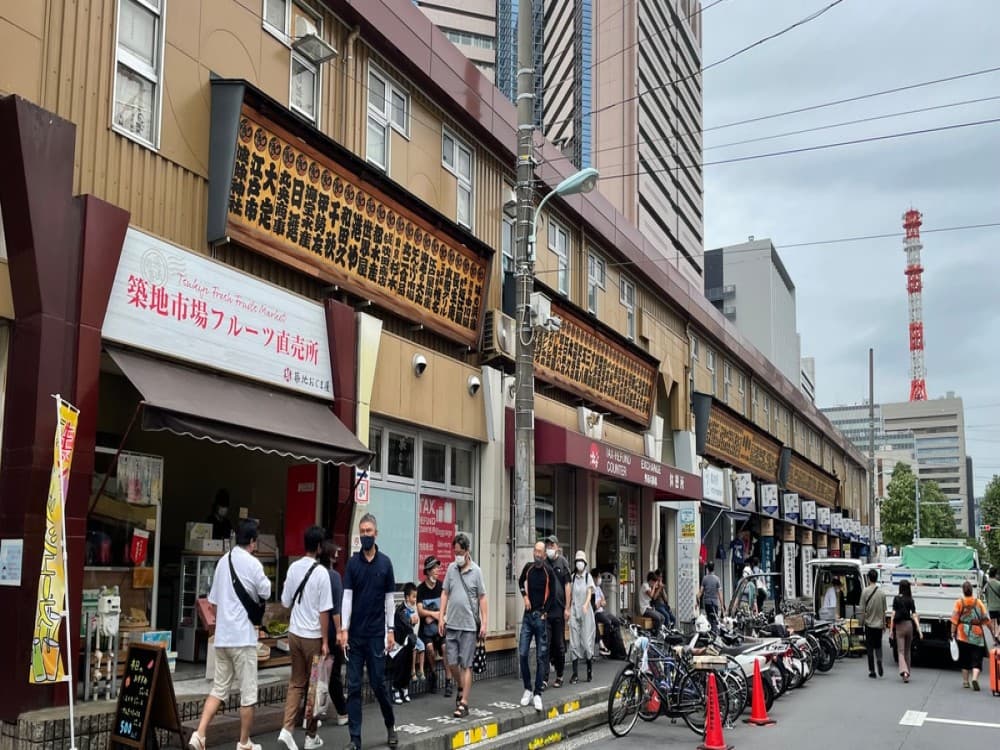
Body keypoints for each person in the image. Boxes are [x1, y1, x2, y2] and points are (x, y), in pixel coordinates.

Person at [189, 520, 271, 750]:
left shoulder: (223, 562)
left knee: (218, 688)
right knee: (248, 693)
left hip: (222, 638)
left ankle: (200, 733)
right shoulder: (254, 564)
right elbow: (266, 590)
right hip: (242, 639)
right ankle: (244, 742)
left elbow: (212, 604)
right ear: (253, 541)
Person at [339, 513, 398, 750]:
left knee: (378, 684)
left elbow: (390, 601)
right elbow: (347, 599)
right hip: (355, 636)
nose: (365, 535)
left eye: (368, 531)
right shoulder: (353, 564)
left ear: (376, 533)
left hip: (376, 635)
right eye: (362, 531)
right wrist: (343, 629)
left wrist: (390, 631)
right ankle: (355, 739)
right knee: (353, 686)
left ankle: (390, 724)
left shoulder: (385, 563)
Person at [278, 526, 333, 750]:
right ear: (319, 547)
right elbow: (324, 612)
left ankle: (287, 730)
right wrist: (326, 641)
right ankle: (310, 736)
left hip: (294, 634)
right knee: (315, 686)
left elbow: (284, 602)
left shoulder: (293, 568)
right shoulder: (322, 574)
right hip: (312, 637)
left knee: (296, 683)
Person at [439, 533, 488, 718]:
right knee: (452, 663)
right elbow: (445, 593)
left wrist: (484, 622)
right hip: (452, 623)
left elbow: (482, 597)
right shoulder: (451, 569)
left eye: (460, 552)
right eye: (455, 552)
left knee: (466, 665)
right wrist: (441, 617)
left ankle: (464, 703)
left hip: (469, 626)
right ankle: (460, 685)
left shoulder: (476, 571)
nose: (457, 555)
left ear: (467, 551)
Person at [518, 541, 555, 711]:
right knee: (523, 653)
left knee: (541, 656)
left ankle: (538, 692)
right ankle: (527, 688)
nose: (538, 554)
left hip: (540, 616)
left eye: (540, 552)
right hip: (527, 617)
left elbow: (554, 594)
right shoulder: (528, 568)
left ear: (545, 554)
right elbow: (520, 583)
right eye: (535, 551)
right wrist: (525, 597)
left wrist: (545, 612)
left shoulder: (549, 572)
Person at [320, 540, 349, 726]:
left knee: (316, 673)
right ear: (332, 555)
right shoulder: (334, 576)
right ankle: (342, 712)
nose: (338, 555)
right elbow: (336, 609)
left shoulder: (313, 573)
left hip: (312, 631)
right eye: (336, 552)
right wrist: (340, 631)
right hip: (330, 630)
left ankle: (312, 715)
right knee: (334, 673)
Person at [950, 580, 991, 691]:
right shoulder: (978, 603)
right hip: (977, 635)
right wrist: (992, 632)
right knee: (977, 659)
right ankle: (975, 678)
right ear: (972, 591)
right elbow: (986, 619)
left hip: (962, 633)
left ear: (963, 591)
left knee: (964, 658)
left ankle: (965, 682)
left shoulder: (959, 603)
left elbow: (954, 620)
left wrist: (952, 633)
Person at [416, 556, 449, 695]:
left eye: (438, 567)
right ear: (428, 571)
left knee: (446, 648)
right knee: (429, 648)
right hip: (426, 631)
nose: (437, 570)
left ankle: (448, 681)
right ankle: (433, 675)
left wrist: (435, 616)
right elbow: (420, 610)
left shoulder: (442, 586)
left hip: (440, 627)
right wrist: (432, 614)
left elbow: (445, 606)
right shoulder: (421, 589)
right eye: (434, 568)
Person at [542, 535, 572, 688]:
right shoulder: (544, 563)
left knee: (559, 645)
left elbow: (567, 585)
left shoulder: (562, 562)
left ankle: (559, 675)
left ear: (557, 547)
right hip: (546, 611)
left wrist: (567, 607)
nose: (549, 548)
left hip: (559, 610)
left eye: (551, 545)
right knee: (545, 644)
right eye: (547, 545)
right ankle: (544, 678)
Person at [567, 550, 595, 684]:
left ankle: (589, 670)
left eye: (581, 561)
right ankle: (575, 674)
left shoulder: (587, 577)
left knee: (586, 642)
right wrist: (567, 609)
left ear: (585, 563)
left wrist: (585, 604)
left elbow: (589, 592)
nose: (579, 563)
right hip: (574, 610)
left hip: (586, 612)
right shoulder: (572, 577)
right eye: (577, 561)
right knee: (574, 643)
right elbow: (570, 595)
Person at [390, 583, 420, 704]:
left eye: (416, 597)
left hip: (408, 643)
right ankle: (395, 688)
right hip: (399, 644)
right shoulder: (401, 610)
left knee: (408, 665)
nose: (415, 600)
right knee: (400, 666)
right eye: (413, 597)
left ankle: (404, 687)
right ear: (407, 597)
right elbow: (405, 623)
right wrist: (411, 620)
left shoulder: (412, 609)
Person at [889, 579, 921, 683]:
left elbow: (893, 615)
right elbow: (914, 615)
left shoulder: (896, 599)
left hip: (899, 626)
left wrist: (890, 630)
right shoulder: (911, 600)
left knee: (900, 651)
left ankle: (904, 671)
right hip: (909, 625)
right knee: (908, 651)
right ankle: (907, 674)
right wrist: (919, 629)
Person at [859, 568, 887, 679]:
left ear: (869, 578)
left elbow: (862, 609)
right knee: (878, 646)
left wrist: (861, 623)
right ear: (877, 578)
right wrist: (884, 624)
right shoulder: (882, 593)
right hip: (879, 625)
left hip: (869, 624)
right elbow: (884, 611)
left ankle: (872, 671)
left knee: (869, 648)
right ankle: (879, 661)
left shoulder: (865, 591)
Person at [592, 569, 621, 657]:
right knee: (608, 622)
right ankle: (605, 645)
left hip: (602, 611)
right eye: (598, 577)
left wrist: (601, 602)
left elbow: (604, 601)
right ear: (594, 578)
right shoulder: (591, 588)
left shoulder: (598, 588)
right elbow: (595, 606)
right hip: (596, 613)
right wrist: (600, 603)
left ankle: (617, 645)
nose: (600, 579)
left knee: (616, 621)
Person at [699, 561, 723, 634]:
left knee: (709, 618)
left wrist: (697, 600)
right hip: (714, 603)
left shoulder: (705, 579)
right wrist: (722, 605)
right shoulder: (717, 579)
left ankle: (710, 634)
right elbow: (720, 593)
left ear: (707, 569)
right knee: (714, 619)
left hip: (707, 603)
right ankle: (714, 634)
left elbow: (701, 591)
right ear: (713, 569)